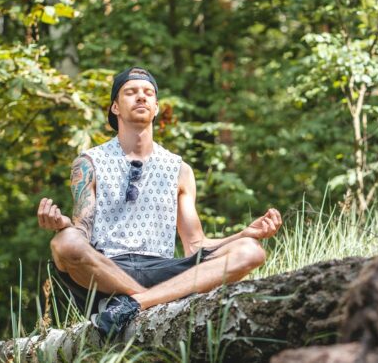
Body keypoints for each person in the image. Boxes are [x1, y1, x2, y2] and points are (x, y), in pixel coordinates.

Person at [36, 67, 282, 337]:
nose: (141, 97)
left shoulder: (179, 169)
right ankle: (148, 300)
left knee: (251, 250)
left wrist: (244, 233)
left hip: (161, 267)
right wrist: (64, 224)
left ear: (155, 108)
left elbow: (195, 245)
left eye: (148, 93)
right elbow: (83, 231)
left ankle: (132, 305)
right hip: (106, 270)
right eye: (131, 92)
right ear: (115, 107)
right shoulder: (89, 162)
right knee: (64, 242)